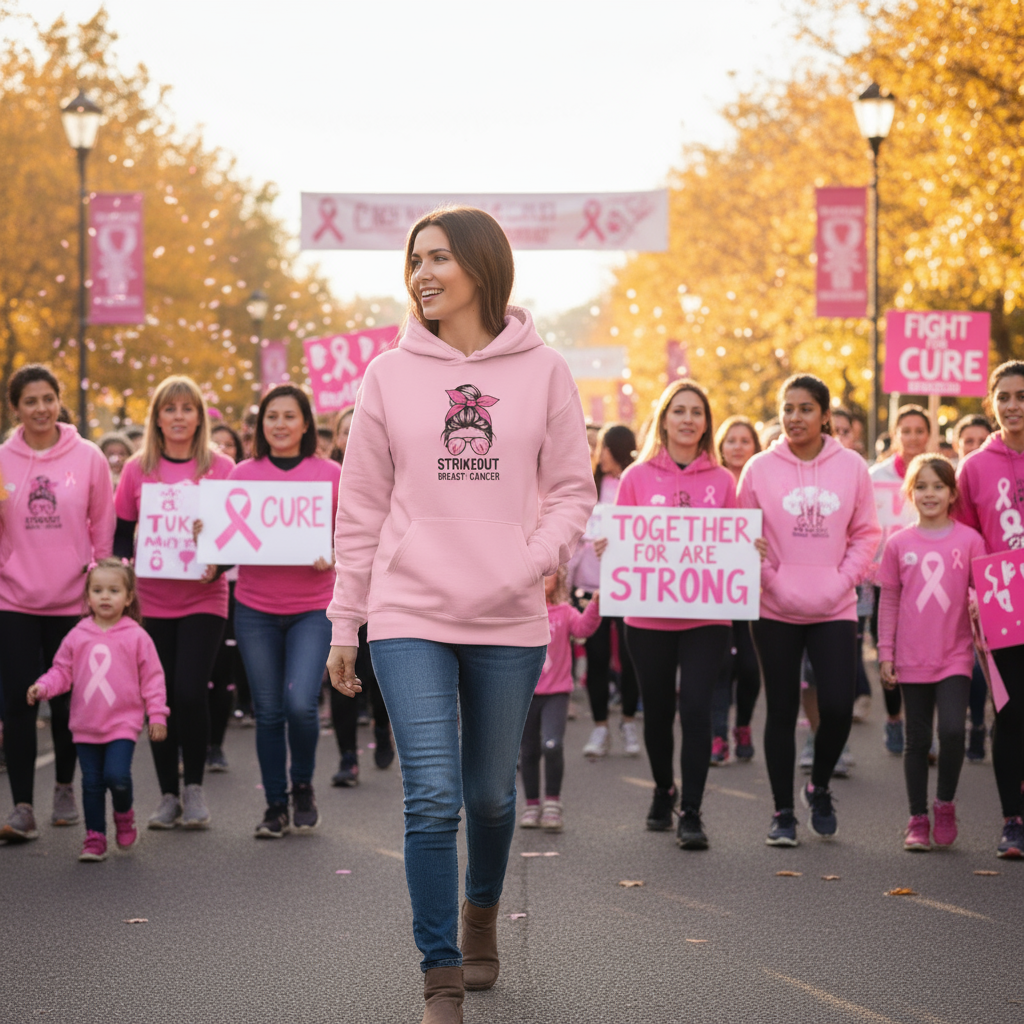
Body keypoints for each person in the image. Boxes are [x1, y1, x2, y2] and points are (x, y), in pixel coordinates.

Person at [326, 206, 594, 1023]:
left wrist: (529, 559)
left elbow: (574, 491)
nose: (423, 274)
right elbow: (361, 505)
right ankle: (440, 972)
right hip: (407, 613)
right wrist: (347, 620)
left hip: (509, 616)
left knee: (490, 796)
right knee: (432, 795)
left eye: (439, 257)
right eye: (415, 261)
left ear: (482, 265)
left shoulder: (544, 369)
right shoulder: (386, 374)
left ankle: (483, 917)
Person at [739, 374, 880, 845]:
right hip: (774, 606)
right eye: (788, 408)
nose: (795, 417)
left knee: (838, 706)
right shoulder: (759, 468)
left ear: (825, 415)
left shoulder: (853, 466)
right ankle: (782, 813)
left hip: (834, 605)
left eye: (805, 409)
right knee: (780, 710)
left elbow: (866, 533)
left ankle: (818, 785)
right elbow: (745, 537)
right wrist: (773, 582)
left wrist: (842, 580)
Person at [604, 379, 737, 851]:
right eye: (678, 411)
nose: (687, 419)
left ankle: (693, 811)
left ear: (706, 424)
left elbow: (733, 544)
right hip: (647, 616)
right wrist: (609, 544)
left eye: (696, 412)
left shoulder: (724, 482)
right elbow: (620, 541)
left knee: (697, 709)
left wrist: (750, 547)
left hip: (707, 618)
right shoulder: (636, 478)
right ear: (664, 419)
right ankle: (664, 789)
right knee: (657, 713)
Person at [215, 385, 340, 837]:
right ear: (260, 426)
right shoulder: (241, 473)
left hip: (313, 608)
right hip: (255, 609)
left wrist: (333, 552)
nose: (281, 424)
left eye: (290, 416)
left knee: (300, 704)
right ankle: (274, 806)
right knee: (268, 712)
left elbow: (357, 534)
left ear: (306, 423)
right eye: (272, 417)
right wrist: (204, 538)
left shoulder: (330, 473)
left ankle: (302, 784)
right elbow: (225, 549)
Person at [0, 364, 116, 842]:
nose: (41, 408)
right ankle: (22, 806)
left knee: (69, 707)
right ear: (16, 408)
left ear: (58, 400)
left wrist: (102, 584)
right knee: (19, 706)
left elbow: (103, 525)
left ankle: (64, 787)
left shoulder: (88, 457)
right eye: (30, 401)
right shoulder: (3, 460)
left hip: (73, 602)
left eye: (48, 398)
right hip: (15, 600)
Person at [114, 375, 234, 830]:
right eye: (171, 408)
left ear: (199, 416)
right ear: (158, 418)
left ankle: (194, 788)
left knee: (188, 691)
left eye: (188, 408)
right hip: (150, 600)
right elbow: (122, 532)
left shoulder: (222, 468)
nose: (179, 416)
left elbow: (237, 534)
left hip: (205, 596)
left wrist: (219, 564)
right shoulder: (136, 469)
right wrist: (123, 573)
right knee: (158, 699)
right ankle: (167, 794)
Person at [26, 559, 169, 861]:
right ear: (87, 596)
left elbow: (153, 679)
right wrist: (43, 686)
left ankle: (124, 814)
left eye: (114, 590)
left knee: (117, 776)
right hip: (85, 724)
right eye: (98, 590)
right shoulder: (78, 634)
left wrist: (157, 714)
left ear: (129, 597)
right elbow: (62, 670)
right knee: (91, 783)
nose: (105, 596)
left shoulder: (137, 636)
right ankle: (95, 837)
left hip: (122, 723)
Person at [877, 454, 985, 851]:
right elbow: (889, 601)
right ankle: (917, 818)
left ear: (953, 493)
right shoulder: (898, 544)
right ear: (910, 493)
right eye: (921, 486)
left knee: (953, 731)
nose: (929, 494)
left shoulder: (971, 541)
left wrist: (977, 602)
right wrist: (885, 651)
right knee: (917, 740)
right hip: (911, 656)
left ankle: (944, 804)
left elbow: (982, 589)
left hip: (956, 653)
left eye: (938, 486)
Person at [955, 361, 1024, 857]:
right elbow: (962, 538)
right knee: (1012, 711)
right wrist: (973, 594)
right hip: (1003, 603)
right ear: (991, 402)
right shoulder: (975, 467)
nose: (1013, 406)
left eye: (1022, 396)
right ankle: (1012, 821)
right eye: (1004, 397)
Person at [570, 423, 640, 759]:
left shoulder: (635, 483)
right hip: (589, 586)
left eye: (606, 448)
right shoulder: (588, 484)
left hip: (628, 586)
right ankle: (600, 727)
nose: (601, 454)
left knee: (630, 658)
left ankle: (628, 722)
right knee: (596, 660)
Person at [870, 404, 933, 756]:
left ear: (929, 435)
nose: (912, 437)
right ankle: (894, 717)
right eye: (905, 430)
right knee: (889, 652)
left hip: (931, 579)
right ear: (895, 435)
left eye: (919, 431)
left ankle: (923, 728)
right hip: (885, 582)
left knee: (929, 654)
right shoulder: (876, 475)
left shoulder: (941, 472)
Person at [520, 570, 601, 833]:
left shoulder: (565, 612)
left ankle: (553, 802)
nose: (544, 578)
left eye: (550, 574)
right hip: (524, 694)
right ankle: (532, 803)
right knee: (528, 751)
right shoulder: (518, 611)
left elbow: (583, 629)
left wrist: (595, 604)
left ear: (559, 580)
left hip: (556, 693)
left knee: (552, 745)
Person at [710, 415, 762, 764]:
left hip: (756, 591)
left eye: (745, 440)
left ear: (755, 446)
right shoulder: (711, 482)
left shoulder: (766, 480)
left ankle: (742, 725)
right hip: (713, 589)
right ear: (721, 446)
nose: (738, 446)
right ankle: (717, 735)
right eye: (732, 440)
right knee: (717, 667)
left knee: (748, 667)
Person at [205, 420, 248, 770]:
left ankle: (214, 745)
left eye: (228, 445)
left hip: (239, 584)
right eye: (214, 444)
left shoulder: (242, 481)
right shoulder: (199, 483)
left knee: (223, 668)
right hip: (207, 581)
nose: (221, 450)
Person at [952, 413, 994, 762]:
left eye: (982, 439)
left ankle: (989, 723)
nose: (975, 446)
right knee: (977, 667)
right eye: (969, 440)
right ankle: (976, 723)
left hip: (1007, 585)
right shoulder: (959, 478)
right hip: (975, 588)